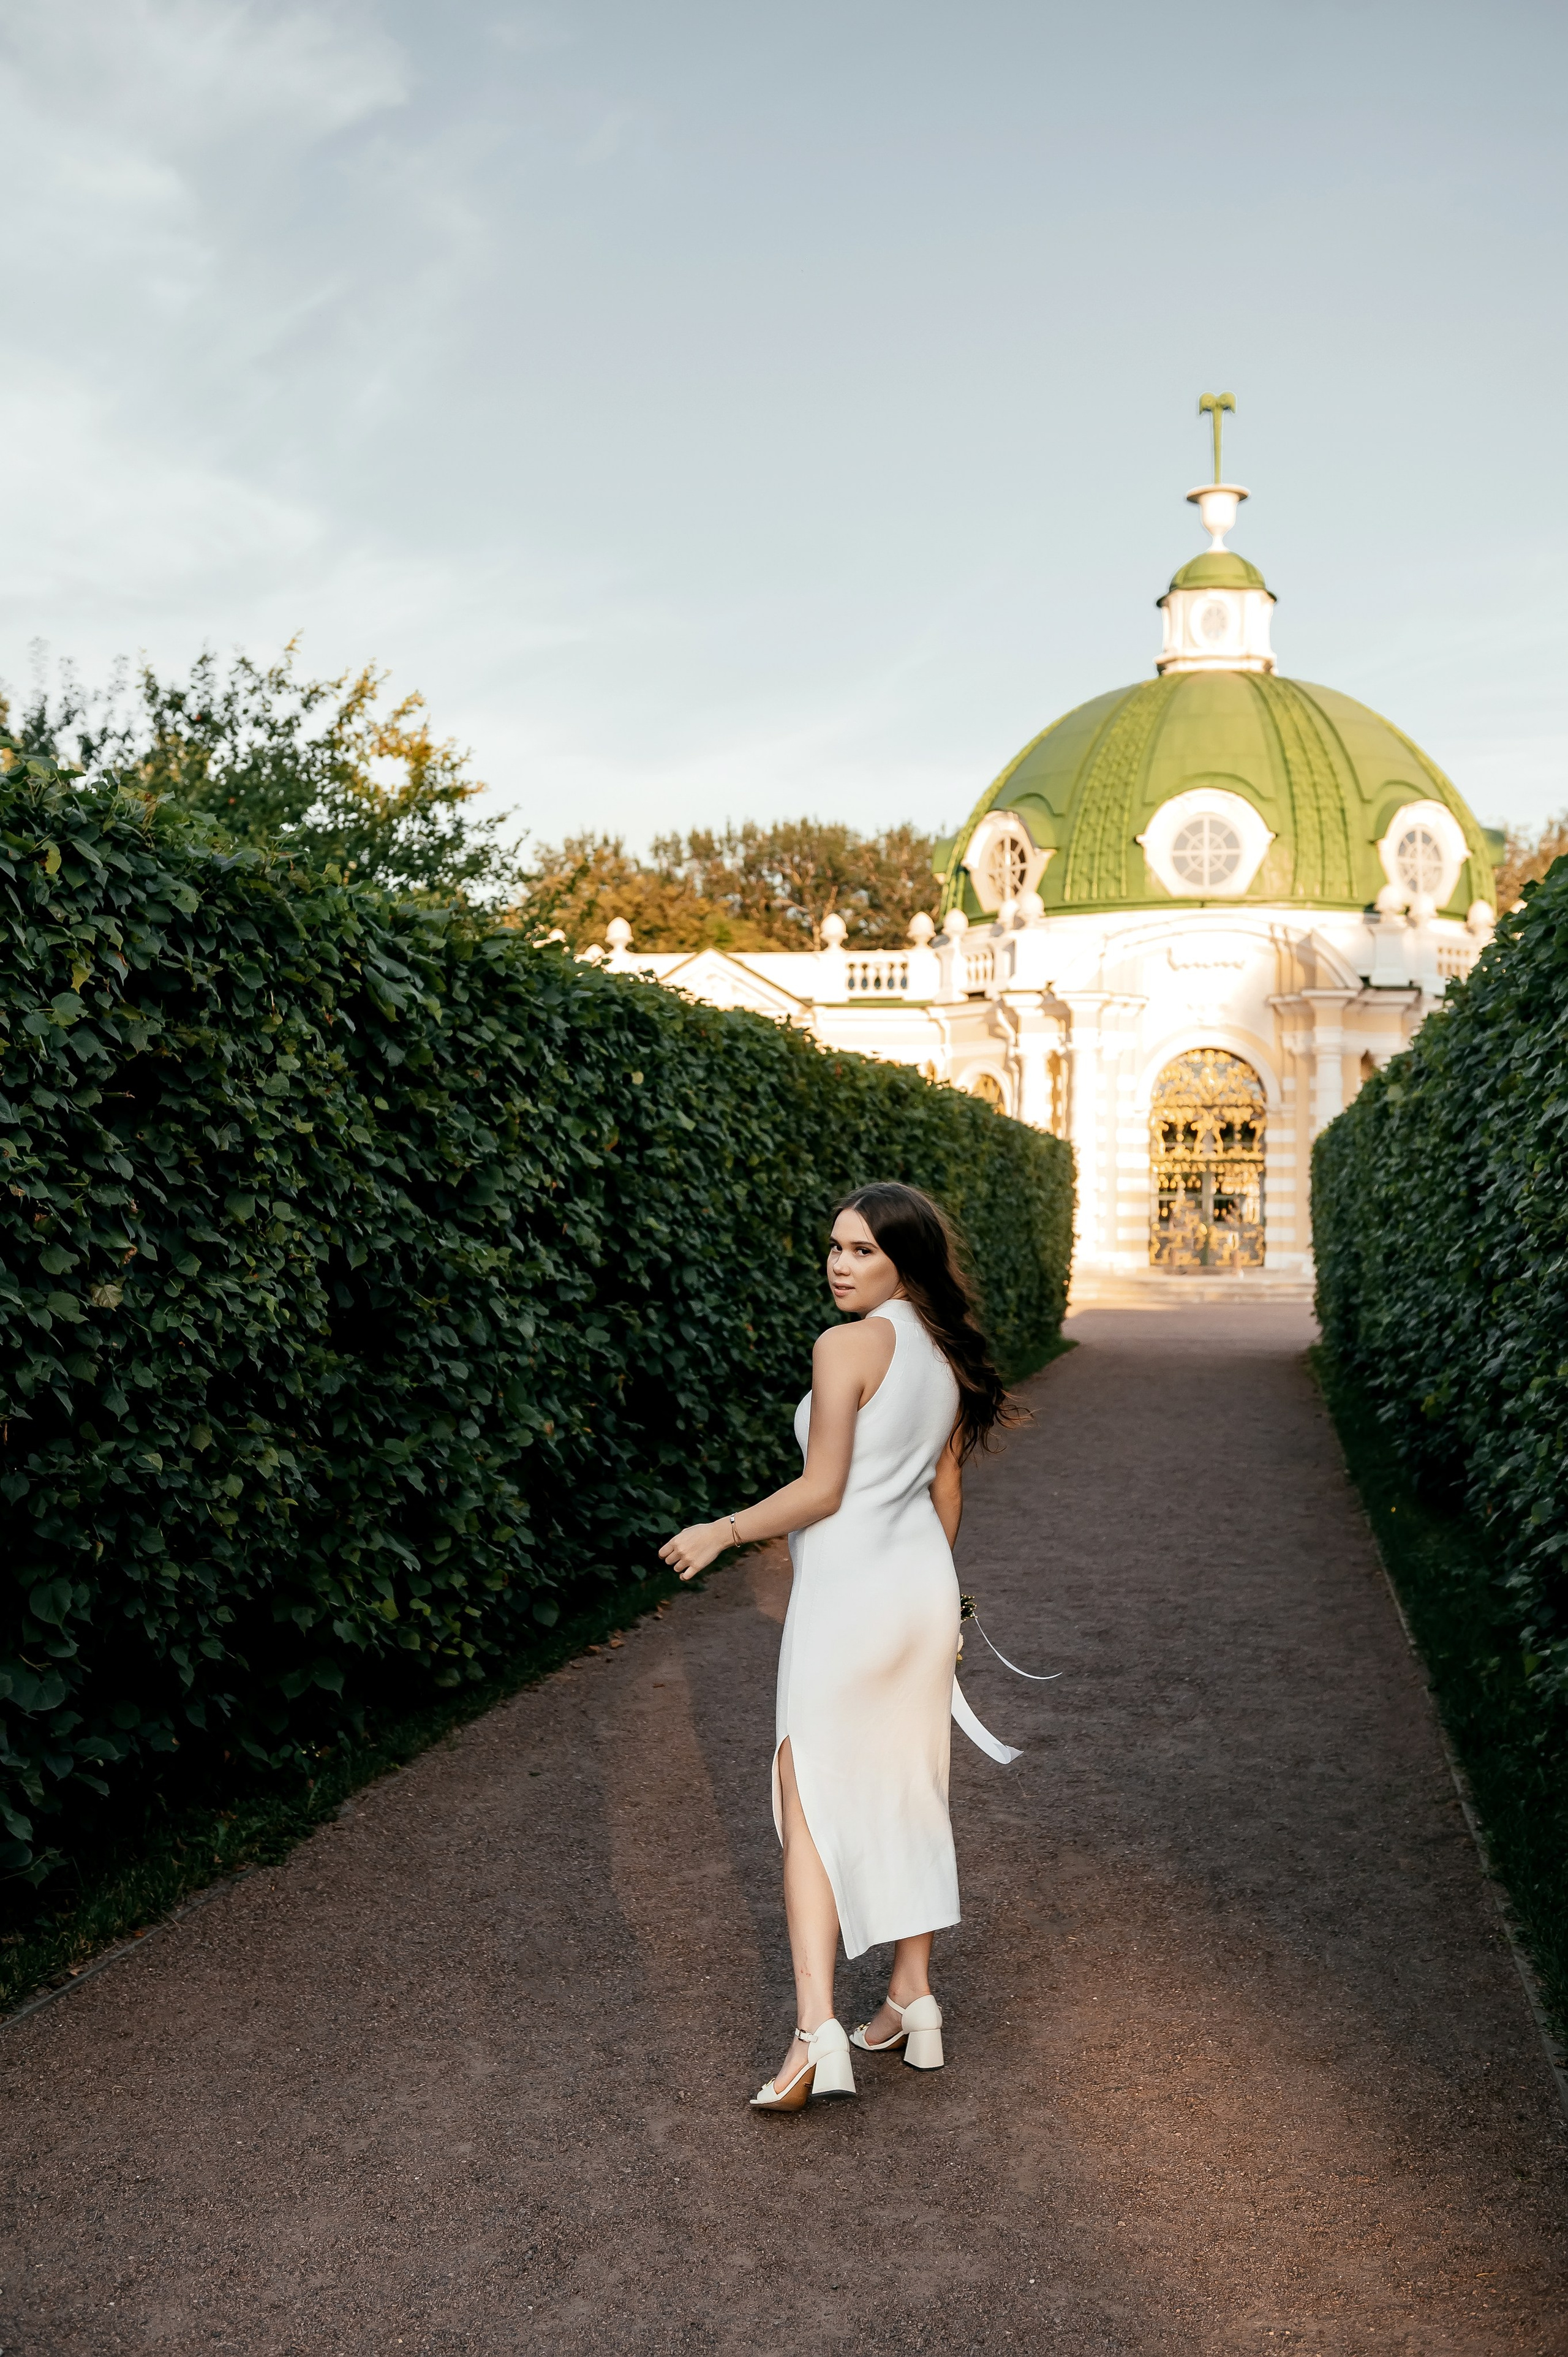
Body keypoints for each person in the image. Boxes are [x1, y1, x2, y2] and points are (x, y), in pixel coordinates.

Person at [658, 1180, 1016, 2115]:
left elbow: (821, 1491)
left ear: (901, 1258)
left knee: (806, 1796)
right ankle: (911, 1997)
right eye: (834, 1247)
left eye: (860, 1249)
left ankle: (818, 2032)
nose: (838, 1264)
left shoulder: (846, 1346)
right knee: (910, 1789)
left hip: (850, 1601)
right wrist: (930, 1598)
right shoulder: (941, 1353)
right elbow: (945, 1493)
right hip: (919, 1597)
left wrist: (723, 1529)